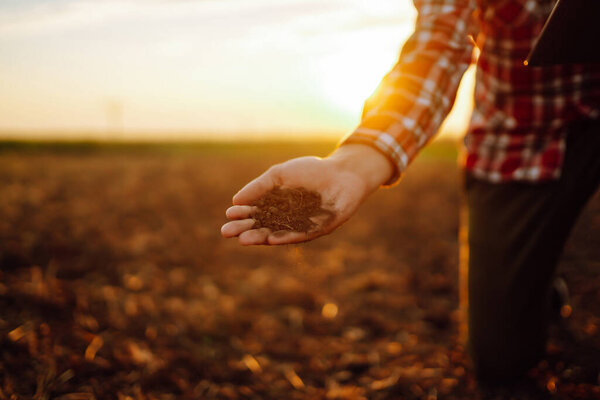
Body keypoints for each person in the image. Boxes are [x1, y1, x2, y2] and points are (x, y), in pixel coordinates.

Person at [221, 0, 600, 383]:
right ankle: (537, 288)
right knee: (499, 360)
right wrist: (355, 163)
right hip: (525, 137)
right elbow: (437, 48)